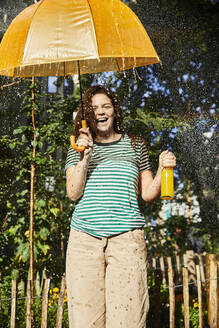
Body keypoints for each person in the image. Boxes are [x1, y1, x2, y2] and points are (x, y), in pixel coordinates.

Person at [65, 85, 176, 328]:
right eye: (94, 108)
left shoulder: (135, 145)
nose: (101, 112)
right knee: (85, 321)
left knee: (128, 318)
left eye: (106, 106)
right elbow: (73, 193)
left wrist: (161, 169)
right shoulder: (78, 146)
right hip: (84, 240)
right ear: (87, 115)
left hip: (127, 240)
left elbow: (147, 194)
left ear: (115, 110)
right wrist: (85, 156)